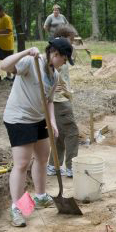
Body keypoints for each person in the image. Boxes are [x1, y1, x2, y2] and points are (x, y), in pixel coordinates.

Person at [1, 38, 74, 227]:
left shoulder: (55, 74)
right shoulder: (31, 62)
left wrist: (52, 121)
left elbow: (49, 100)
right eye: (64, 59)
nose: (65, 63)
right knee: (22, 163)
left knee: (42, 157)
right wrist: (25, 52)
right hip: (19, 118)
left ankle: (40, 196)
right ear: (55, 54)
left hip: (38, 118)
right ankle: (17, 208)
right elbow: (4, 65)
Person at [46, 25, 79, 178]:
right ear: (64, 37)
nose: (71, 44)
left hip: (59, 98)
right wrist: (60, 89)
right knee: (72, 133)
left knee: (58, 134)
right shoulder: (57, 54)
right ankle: (71, 167)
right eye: (71, 40)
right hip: (60, 100)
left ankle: (54, 165)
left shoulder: (57, 53)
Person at [0, 4, 15, 81]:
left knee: (10, 61)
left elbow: (8, 30)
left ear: (1, 10)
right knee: (4, 60)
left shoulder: (7, 18)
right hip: (0, 44)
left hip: (7, 44)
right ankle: (8, 76)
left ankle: (15, 75)